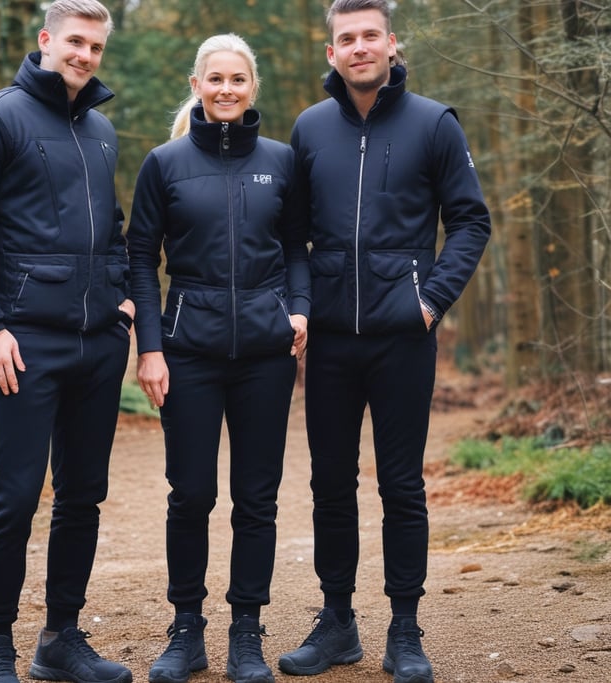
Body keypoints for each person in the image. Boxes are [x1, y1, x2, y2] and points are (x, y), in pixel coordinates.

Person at [277, 2, 491, 683]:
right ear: (333, 49)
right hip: (333, 341)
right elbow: (293, 237)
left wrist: (429, 301)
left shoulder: (434, 122)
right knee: (330, 483)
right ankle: (336, 621)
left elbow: (470, 222)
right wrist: (303, 306)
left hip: (404, 338)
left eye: (371, 35)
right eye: (348, 38)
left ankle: (405, 627)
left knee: (402, 485)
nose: (360, 46)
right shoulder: (309, 129)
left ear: (392, 44)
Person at [0, 2, 135, 682]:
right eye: (75, 41)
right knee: (15, 496)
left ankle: (61, 638)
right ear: (47, 39)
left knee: (83, 494)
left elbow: (112, 227)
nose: (85, 54)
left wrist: (122, 297)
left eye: (96, 45)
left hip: (98, 344)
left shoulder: (102, 130)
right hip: (23, 344)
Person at [126, 33, 310, 683]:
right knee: (192, 493)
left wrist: (300, 305)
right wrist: (150, 347)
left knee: (256, 498)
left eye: (238, 79)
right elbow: (140, 262)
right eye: (215, 79)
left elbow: (295, 246)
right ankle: (186, 631)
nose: (227, 89)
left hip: (267, 354)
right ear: (197, 85)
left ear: (251, 88)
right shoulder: (164, 164)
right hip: (189, 353)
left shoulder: (282, 162)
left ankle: (247, 633)